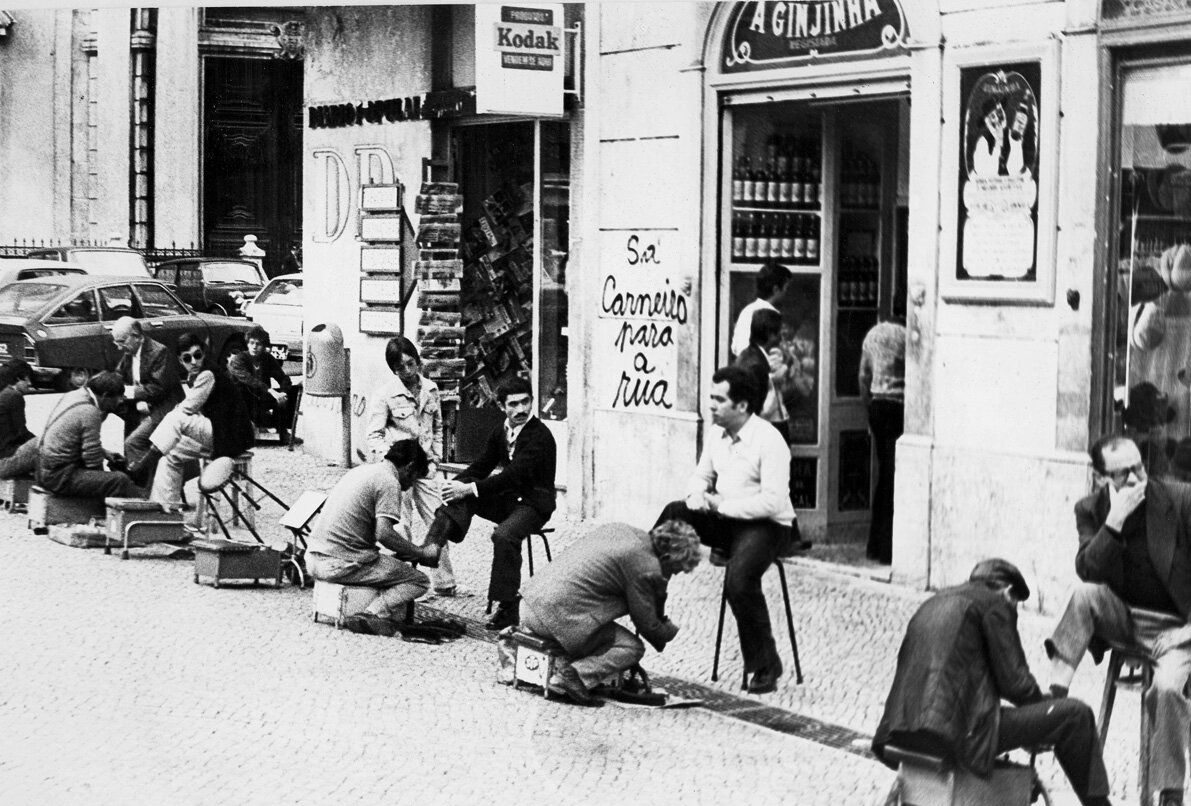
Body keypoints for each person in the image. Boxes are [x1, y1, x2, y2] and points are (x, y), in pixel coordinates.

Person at [873, 559, 1112, 806]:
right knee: (1075, 715)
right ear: (1008, 592)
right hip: (953, 733)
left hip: (898, 731)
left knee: (1043, 717)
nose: (1014, 612)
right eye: (1016, 606)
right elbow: (1017, 684)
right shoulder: (995, 604)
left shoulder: (934, 601)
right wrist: (1045, 713)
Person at [1045, 434, 1191, 806]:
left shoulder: (1178, 499)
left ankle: (1171, 792)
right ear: (1100, 478)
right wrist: (1114, 521)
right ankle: (1054, 700)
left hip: (1176, 628)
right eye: (1122, 473)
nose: (1135, 480)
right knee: (1084, 596)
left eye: (1139, 467)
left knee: (1168, 689)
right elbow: (1088, 570)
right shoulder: (1091, 509)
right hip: (1124, 617)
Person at [655, 365, 794, 694]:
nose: (711, 406)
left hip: (767, 526)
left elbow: (773, 503)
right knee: (674, 512)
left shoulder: (769, 440)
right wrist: (695, 496)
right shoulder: (717, 433)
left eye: (719, 400)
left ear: (742, 406)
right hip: (726, 520)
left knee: (740, 580)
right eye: (710, 398)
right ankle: (647, 592)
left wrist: (721, 506)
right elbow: (701, 476)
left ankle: (765, 665)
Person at [518, 520, 702, 707]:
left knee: (604, 633)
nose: (674, 574)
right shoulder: (645, 566)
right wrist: (675, 631)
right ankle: (574, 677)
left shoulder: (621, 529)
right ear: (667, 557)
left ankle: (574, 672)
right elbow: (648, 626)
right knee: (631, 647)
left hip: (530, 604)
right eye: (676, 569)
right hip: (556, 618)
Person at [424, 376, 557, 632]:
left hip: (534, 504)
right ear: (501, 406)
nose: (521, 410)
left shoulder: (539, 436)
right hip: (510, 500)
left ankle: (508, 607)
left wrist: (469, 489)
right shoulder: (502, 430)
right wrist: (455, 485)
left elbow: (513, 475)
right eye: (514, 404)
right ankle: (433, 545)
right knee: (463, 491)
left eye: (526, 402)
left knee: (504, 535)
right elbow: (482, 466)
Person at [304, 439, 441, 636]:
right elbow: (384, 534)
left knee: (388, 562)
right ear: (409, 467)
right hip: (339, 563)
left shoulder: (362, 471)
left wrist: (404, 550)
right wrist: (420, 552)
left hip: (313, 559)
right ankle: (373, 613)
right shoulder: (389, 482)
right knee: (419, 581)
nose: (411, 485)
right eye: (414, 478)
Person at [132, 334, 254, 532]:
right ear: (181, 361)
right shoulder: (197, 375)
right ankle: (166, 515)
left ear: (203, 353)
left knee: (177, 418)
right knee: (170, 453)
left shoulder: (208, 374)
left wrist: (173, 414)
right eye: (187, 358)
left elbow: (188, 408)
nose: (194, 361)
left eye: (197, 355)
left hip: (229, 436)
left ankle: (145, 463)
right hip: (219, 432)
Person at [365, 337, 455, 597]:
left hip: (425, 466)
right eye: (400, 366)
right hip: (399, 470)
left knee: (438, 519)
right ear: (393, 369)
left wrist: (436, 458)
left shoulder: (431, 389)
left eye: (410, 363)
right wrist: (392, 459)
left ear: (417, 360)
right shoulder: (384, 394)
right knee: (399, 523)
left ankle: (444, 582)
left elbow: (438, 427)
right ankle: (401, 580)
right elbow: (373, 435)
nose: (407, 370)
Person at [36, 371, 142, 498]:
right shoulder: (90, 412)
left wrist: (104, 453)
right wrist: (103, 481)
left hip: (43, 470)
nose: (120, 401)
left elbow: (75, 438)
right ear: (105, 395)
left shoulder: (75, 395)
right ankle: (143, 513)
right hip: (60, 477)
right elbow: (92, 460)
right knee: (121, 481)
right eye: (118, 397)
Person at [858, 314, 906, 565]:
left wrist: (869, 407)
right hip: (899, 407)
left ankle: (874, 545)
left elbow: (863, 376)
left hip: (877, 406)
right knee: (891, 477)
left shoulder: (873, 334)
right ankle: (887, 548)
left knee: (885, 475)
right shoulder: (908, 336)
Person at [111, 317, 184, 465]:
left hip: (162, 408)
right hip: (139, 408)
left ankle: (141, 480)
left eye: (122, 341)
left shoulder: (159, 351)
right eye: (116, 342)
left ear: (136, 336)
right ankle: (139, 476)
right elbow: (118, 378)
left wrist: (129, 392)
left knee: (133, 443)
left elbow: (159, 388)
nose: (119, 347)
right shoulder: (129, 354)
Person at [244, 325, 297, 442]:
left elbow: (283, 378)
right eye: (251, 343)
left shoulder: (267, 359)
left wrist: (283, 393)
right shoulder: (240, 359)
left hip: (261, 398)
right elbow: (248, 379)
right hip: (243, 400)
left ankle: (283, 432)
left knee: (293, 391)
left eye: (258, 344)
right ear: (247, 344)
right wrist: (271, 391)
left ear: (263, 347)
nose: (254, 347)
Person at [730, 261, 791, 358]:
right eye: (786, 288)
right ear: (776, 289)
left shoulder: (747, 310)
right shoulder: (772, 315)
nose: (786, 293)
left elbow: (735, 347)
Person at [0, 359, 39, 478]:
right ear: (17, 379)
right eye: (26, 379)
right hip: (5, 455)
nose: (30, 383)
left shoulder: (4, 394)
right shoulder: (14, 396)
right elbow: (21, 432)